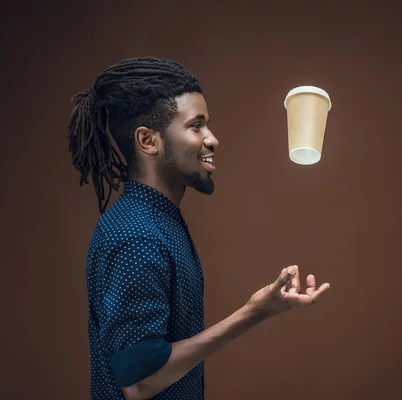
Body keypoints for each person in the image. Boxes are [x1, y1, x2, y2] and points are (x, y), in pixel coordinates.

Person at [67, 57, 331, 400]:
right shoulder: (137, 236)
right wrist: (254, 313)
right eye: (196, 126)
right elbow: (139, 383)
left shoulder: (159, 219)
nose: (212, 139)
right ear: (148, 141)